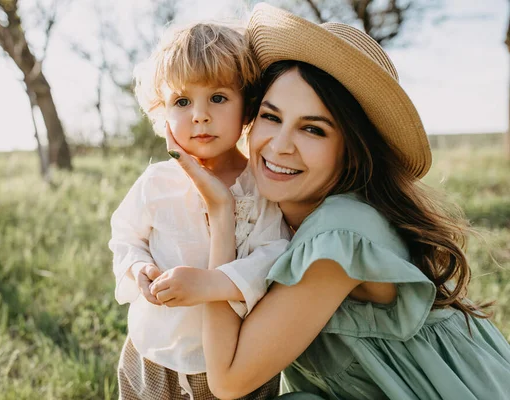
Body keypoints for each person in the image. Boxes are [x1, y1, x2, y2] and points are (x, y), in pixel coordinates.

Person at [158, 3, 510, 399]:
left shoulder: (340, 234)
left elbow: (228, 381)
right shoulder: (276, 215)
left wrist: (221, 215)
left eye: (312, 129)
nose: (280, 145)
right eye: (271, 118)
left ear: (352, 150)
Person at [109, 21, 290, 399]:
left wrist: (211, 285)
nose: (200, 115)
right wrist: (139, 267)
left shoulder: (259, 186)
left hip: (228, 360)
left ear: (247, 108)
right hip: (155, 349)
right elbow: (126, 236)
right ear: (163, 113)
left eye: (218, 98)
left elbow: (272, 257)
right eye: (182, 101)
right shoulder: (157, 182)